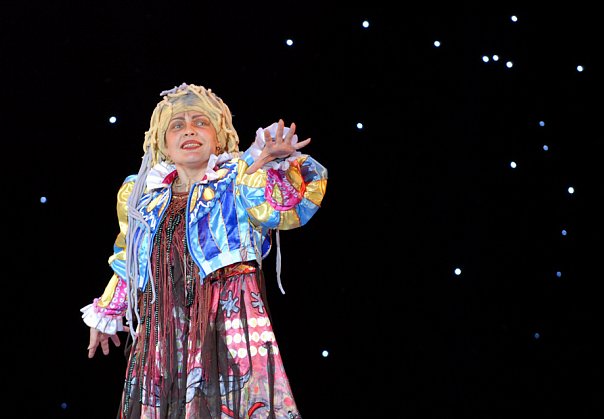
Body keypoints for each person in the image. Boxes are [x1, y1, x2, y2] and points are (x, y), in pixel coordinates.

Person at [81, 83, 328, 418]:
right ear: (163, 143)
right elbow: (131, 260)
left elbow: (280, 209)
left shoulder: (239, 179)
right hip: (165, 329)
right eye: (177, 125)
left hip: (227, 322)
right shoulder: (144, 197)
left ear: (218, 137)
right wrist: (109, 311)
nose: (189, 130)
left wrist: (276, 164)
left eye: (200, 122)